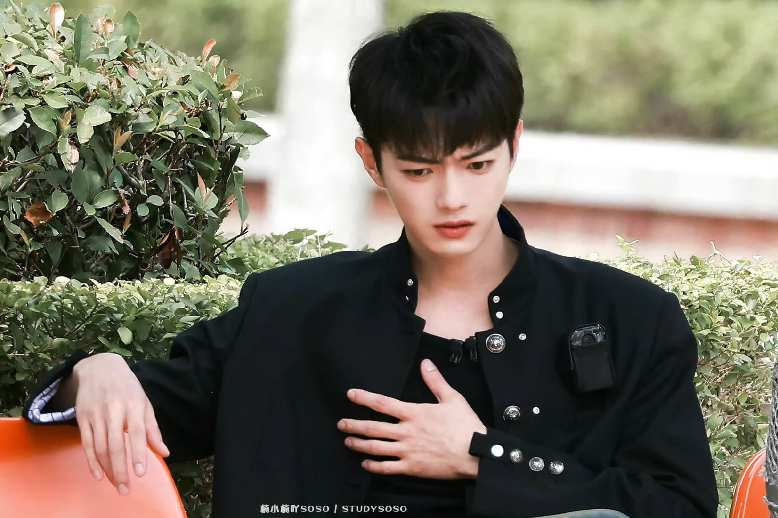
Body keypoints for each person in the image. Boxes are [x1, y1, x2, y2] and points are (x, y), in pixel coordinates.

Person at [22, 10, 718, 518]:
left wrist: (485, 456)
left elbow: (677, 505)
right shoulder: (291, 314)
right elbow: (145, 412)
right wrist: (93, 371)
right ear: (372, 162)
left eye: (477, 164)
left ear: (515, 144)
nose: (452, 197)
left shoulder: (629, 319)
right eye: (419, 170)